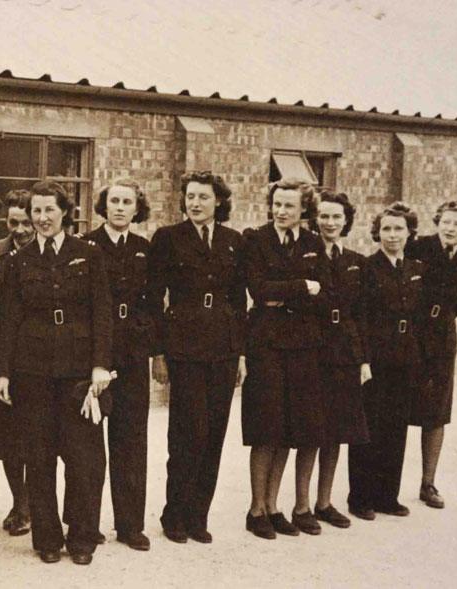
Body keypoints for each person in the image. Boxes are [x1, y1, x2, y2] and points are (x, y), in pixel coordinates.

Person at [0, 181, 113, 565]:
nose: (42, 218)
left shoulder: (88, 254)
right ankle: (47, 538)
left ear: (66, 212)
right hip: (34, 370)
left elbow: (102, 313)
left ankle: (81, 537)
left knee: (84, 458)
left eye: (49, 210)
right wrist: (4, 374)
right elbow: (9, 319)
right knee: (39, 456)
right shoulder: (19, 260)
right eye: (36, 211)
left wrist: (100, 365)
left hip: (79, 369)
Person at [148, 171, 247, 544]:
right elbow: (154, 298)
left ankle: (197, 516)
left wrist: (239, 353)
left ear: (218, 201)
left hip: (222, 348)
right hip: (184, 347)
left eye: (203, 197)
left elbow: (239, 302)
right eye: (190, 196)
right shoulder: (168, 239)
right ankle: (174, 514)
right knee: (188, 433)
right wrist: (158, 352)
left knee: (214, 434)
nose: (195, 203)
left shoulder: (233, 241)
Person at [242, 178, 325, 540]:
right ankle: (256, 508)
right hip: (266, 344)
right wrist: (300, 286)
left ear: (303, 209)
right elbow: (258, 290)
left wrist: (292, 293)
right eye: (277, 204)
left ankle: (274, 506)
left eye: (289, 205)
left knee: (289, 427)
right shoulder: (256, 239)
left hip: (302, 346)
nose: (281, 211)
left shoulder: (312, 243)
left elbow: (323, 292)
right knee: (266, 426)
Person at [83, 178, 156, 550]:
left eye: (127, 202)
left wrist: (145, 338)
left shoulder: (145, 248)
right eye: (114, 201)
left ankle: (130, 525)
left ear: (136, 208)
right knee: (90, 443)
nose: (120, 208)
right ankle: (88, 523)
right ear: (103, 205)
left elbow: (154, 301)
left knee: (131, 440)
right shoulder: (88, 246)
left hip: (132, 355)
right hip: (97, 354)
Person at [348, 202, 424, 520]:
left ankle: (387, 496)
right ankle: (360, 497)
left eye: (398, 229)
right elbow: (360, 317)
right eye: (386, 229)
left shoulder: (417, 268)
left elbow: (421, 316)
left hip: (405, 357)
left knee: (396, 426)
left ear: (409, 233)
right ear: (378, 233)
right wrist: (362, 360)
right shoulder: (367, 267)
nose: (392, 235)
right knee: (369, 426)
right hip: (376, 356)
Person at [406, 199, 457, 509]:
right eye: (446, 222)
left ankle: (428, 483)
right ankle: (384, 486)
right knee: (397, 407)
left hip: (443, 340)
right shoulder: (418, 247)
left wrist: (440, 320)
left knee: (436, 411)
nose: (450, 228)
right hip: (410, 332)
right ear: (438, 222)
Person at [309, 190, 371, 531]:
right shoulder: (305, 255)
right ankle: (301, 504)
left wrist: (362, 359)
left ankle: (324, 502)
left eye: (336, 217)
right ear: (315, 219)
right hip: (314, 349)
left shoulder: (356, 262)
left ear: (346, 221)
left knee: (336, 430)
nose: (329, 223)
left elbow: (360, 314)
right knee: (310, 428)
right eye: (323, 216)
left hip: (344, 353)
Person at [0, 188, 34, 536]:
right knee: (10, 439)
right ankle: (21, 502)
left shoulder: (50, 253)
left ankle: (37, 502)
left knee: (41, 435)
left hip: (41, 354)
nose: (19, 229)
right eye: (13, 222)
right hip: (5, 357)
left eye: (26, 222)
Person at [0, 189, 35, 256]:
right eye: (14, 223)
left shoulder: (50, 252)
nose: (20, 230)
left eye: (26, 223)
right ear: (6, 220)